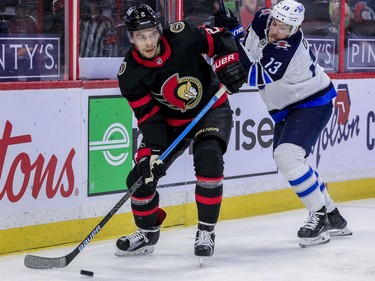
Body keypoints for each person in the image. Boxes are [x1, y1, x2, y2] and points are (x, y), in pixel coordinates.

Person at [215, 0, 352, 247]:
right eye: (276, 24)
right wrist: (233, 30)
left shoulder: (288, 49)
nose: (276, 30)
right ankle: (333, 216)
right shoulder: (262, 18)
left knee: (287, 157)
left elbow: (252, 73)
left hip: (312, 103)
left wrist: (233, 36)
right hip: (286, 107)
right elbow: (247, 48)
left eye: (284, 28)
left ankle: (318, 217)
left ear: (296, 29)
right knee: (291, 161)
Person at [115, 4, 246, 257]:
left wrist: (227, 63)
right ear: (131, 39)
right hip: (171, 125)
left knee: (208, 156)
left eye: (152, 33)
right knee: (140, 180)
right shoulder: (130, 74)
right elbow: (150, 117)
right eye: (141, 37)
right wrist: (151, 153)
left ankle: (206, 231)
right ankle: (148, 232)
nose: (149, 42)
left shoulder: (182, 34)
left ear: (159, 30)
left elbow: (219, 38)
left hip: (210, 108)